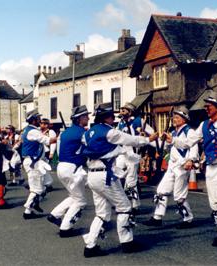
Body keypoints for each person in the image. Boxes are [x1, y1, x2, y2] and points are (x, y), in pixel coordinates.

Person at [167, 92, 217, 246]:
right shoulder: (204, 125)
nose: (206, 108)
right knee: (214, 201)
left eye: (208, 106)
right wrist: (173, 140)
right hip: (211, 166)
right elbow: (188, 142)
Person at [82, 103, 158, 257]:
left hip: (92, 174)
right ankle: (127, 242)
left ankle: (90, 246)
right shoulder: (109, 133)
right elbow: (130, 140)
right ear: (106, 117)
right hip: (105, 175)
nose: (113, 118)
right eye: (111, 116)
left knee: (102, 213)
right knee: (124, 207)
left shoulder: (89, 133)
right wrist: (148, 139)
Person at [143, 106, 198, 229]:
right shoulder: (173, 133)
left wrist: (191, 160)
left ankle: (188, 219)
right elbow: (165, 148)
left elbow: (193, 146)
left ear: (184, 119)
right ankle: (157, 217)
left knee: (179, 195)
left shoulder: (190, 131)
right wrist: (149, 139)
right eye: (174, 117)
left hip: (183, 166)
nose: (174, 119)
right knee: (161, 191)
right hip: (172, 166)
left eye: (177, 117)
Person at [47, 105, 90, 237]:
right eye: (86, 116)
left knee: (74, 196)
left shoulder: (66, 133)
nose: (88, 118)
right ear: (80, 118)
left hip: (62, 166)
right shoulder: (82, 133)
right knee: (81, 201)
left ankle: (55, 214)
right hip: (73, 168)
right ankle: (65, 228)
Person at [117, 102, 153, 213]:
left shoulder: (138, 121)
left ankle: (135, 205)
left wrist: (143, 137)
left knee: (131, 181)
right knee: (116, 174)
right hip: (123, 152)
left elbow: (151, 133)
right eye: (121, 109)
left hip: (133, 153)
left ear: (130, 111)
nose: (122, 111)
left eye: (124, 109)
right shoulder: (121, 123)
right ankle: (121, 201)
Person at [22, 111, 57, 219]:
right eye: (38, 119)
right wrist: (62, 137)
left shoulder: (31, 130)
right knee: (37, 189)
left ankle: (35, 201)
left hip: (37, 161)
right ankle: (27, 211)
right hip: (33, 162)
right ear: (33, 120)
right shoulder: (33, 131)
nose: (39, 121)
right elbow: (48, 141)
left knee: (48, 181)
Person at [40, 118, 56, 193]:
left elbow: (53, 142)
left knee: (45, 169)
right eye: (41, 123)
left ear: (46, 125)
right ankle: (45, 184)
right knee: (41, 169)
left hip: (46, 152)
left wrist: (51, 153)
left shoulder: (50, 132)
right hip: (40, 153)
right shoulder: (39, 132)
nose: (41, 125)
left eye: (42, 123)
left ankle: (48, 184)